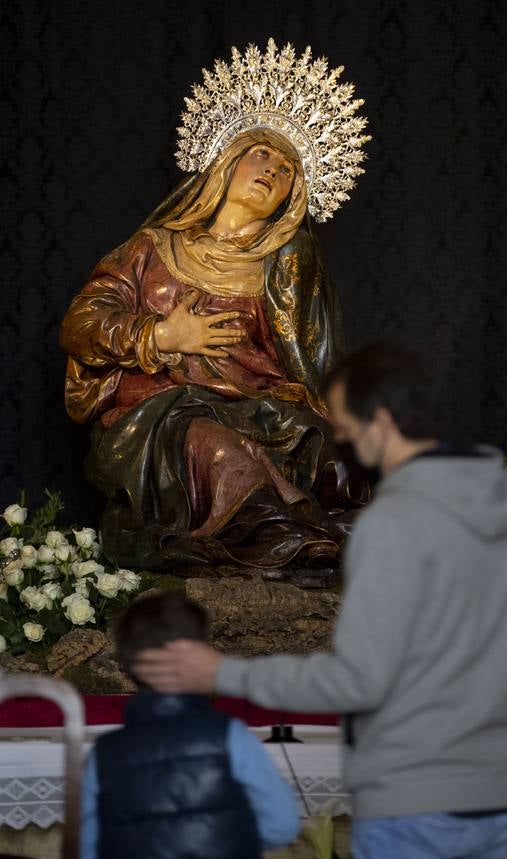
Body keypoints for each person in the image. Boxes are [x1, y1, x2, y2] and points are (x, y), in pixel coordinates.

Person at [133, 342, 507, 859]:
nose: (341, 442)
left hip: (411, 803)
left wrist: (220, 674)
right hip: (490, 797)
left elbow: (358, 680)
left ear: (383, 421)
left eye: (345, 427)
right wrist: (484, 736)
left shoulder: (392, 523)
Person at [59, 41, 371, 572]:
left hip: (259, 410)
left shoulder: (285, 270)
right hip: (163, 415)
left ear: (293, 198)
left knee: (332, 460)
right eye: (262, 152)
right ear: (227, 162)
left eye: (289, 169)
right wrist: (161, 337)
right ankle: (275, 536)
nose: (273, 169)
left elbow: (309, 367)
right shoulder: (154, 249)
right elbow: (81, 325)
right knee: (214, 445)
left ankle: (303, 533)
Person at [80, 589, 299, 859]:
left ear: (127, 666)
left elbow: (89, 858)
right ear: (200, 656)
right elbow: (283, 824)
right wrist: (223, 843)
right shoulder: (229, 735)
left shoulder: (103, 755)